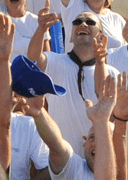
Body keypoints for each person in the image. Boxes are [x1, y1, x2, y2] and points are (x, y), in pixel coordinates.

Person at [28, 8, 122, 154]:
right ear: (71, 37)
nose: (83, 24)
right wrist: (41, 30)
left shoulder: (112, 73)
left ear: (101, 37)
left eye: (90, 22)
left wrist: (100, 62)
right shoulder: (53, 61)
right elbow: (32, 61)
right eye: (77, 22)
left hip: (96, 156)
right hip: (59, 157)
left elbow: (109, 110)